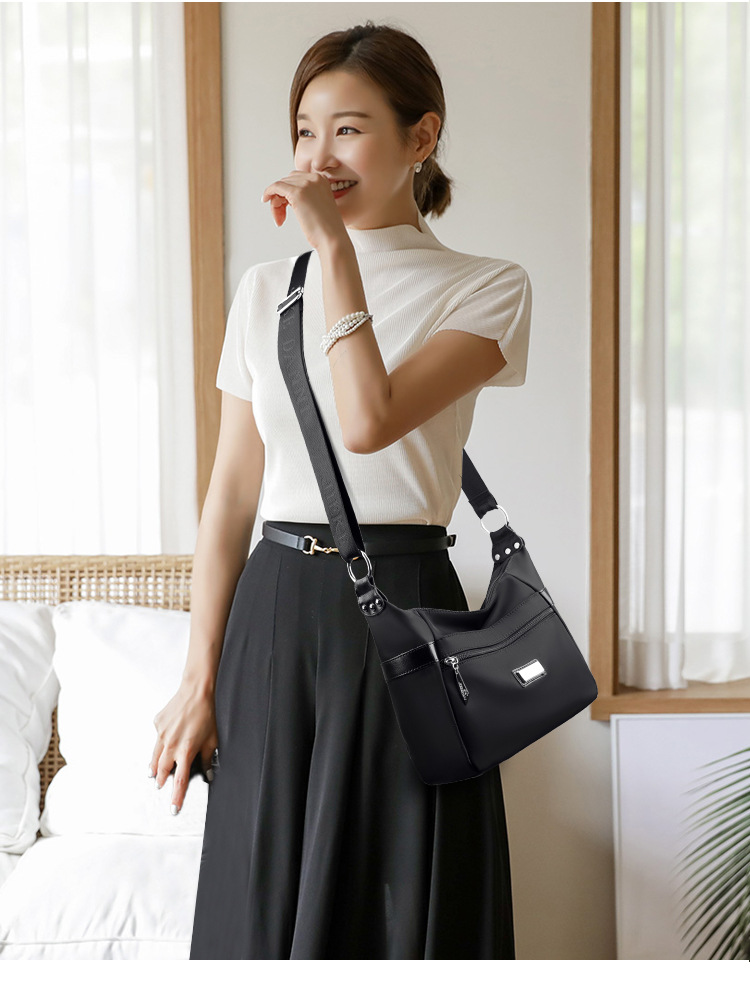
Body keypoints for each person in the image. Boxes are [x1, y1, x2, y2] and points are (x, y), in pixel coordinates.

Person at [150, 20, 532, 960]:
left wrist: (333, 253)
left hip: (405, 611)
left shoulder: (486, 288)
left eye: (349, 129)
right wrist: (198, 679)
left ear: (422, 136)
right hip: (276, 614)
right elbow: (230, 496)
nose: (319, 157)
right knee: (262, 898)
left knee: (398, 909)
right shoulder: (263, 289)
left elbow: (369, 419)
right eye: (304, 131)